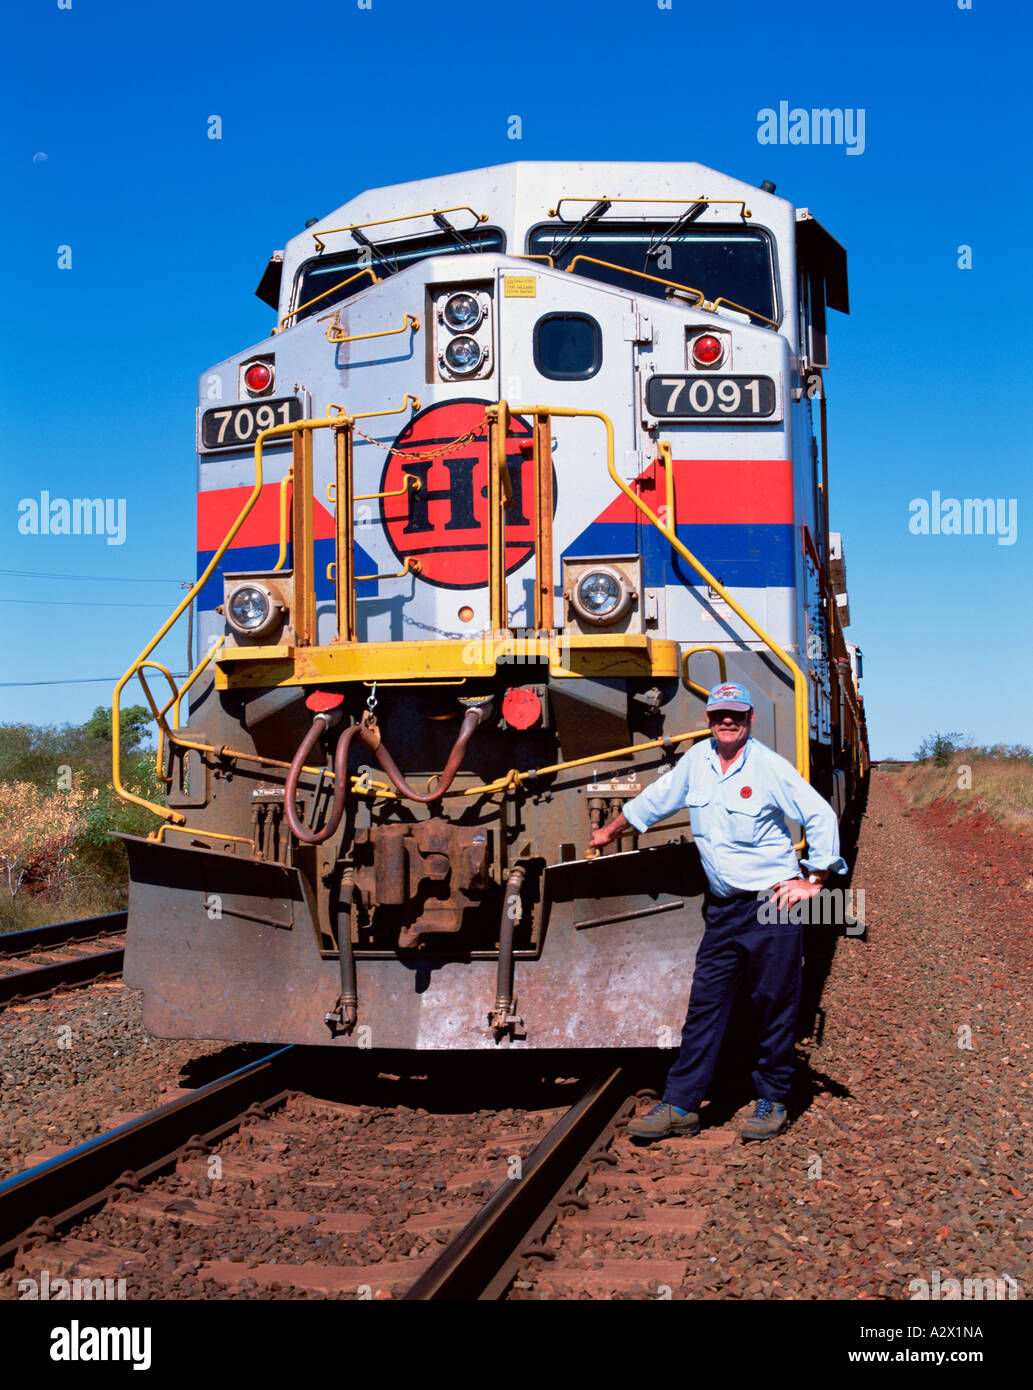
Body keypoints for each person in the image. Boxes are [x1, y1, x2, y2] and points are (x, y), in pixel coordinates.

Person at [589, 680, 846, 1141]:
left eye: (737, 715)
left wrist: (815, 881)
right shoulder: (697, 762)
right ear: (708, 720)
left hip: (774, 905)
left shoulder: (769, 767)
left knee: (774, 1005)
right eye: (719, 715)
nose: (727, 721)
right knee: (705, 1007)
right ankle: (682, 1106)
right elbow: (655, 799)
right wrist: (610, 830)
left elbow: (820, 815)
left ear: (750, 720)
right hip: (724, 909)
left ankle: (772, 1097)